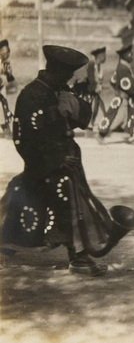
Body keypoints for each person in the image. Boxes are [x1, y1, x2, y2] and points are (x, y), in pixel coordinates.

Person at [0, 45, 112, 276]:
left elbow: (83, 117)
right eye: (67, 74)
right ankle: (77, 255)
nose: (70, 79)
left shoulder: (57, 92)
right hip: (45, 167)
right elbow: (25, 137)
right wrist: (56, 160)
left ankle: (78, 255)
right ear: (55, 71)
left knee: (69, 206)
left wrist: (69, 104)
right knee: (25, 207)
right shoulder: (32, 95)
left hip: (65, 165)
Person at [98, 43, 134, 144]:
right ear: (125, 55)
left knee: (114, 114)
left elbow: (113, 80)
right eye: (130, 53)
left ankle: (132, 134)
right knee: (125, 115)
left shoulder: (121, 67)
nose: (132, 55)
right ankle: (133, 136)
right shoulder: (123, 68)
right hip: (125, 98)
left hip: (122, 97)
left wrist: (118, 90)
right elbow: (129, 85)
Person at [86, 46, 107, 132]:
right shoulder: (91, 64)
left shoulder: (99, 66)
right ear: (99, 56)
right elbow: (90, 79)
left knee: (98, 105)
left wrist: (100, 86)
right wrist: (96, 88)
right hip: (88, 89)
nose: (105, 57)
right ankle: (90, 123)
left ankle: (92, 123)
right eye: (104, 55)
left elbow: (99, 79)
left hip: (95, 89)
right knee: (94, 106)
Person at [0, 39, 16, 138]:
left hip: (1, 87)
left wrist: (9, 73)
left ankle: (6, 126)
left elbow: (10, 79)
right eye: (4, 52)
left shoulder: (5, 63)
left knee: (4, 102)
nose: (6, 54)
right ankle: (5, 125)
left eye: (8, 52)